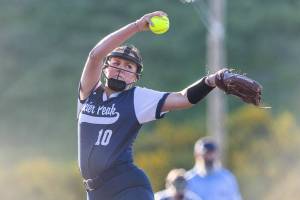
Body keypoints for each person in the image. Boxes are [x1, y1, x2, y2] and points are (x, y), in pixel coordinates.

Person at [77, 10, 224, 200]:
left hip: (127, 185)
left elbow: (183, 98)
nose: (121, 69)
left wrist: (211, 81)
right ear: (106, 68)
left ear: (135, 77)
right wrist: (138, 25)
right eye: (116, 62)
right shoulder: (89, 92)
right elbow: (95, 55)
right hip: (96, 192)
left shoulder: (136, 97)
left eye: (128, 67)